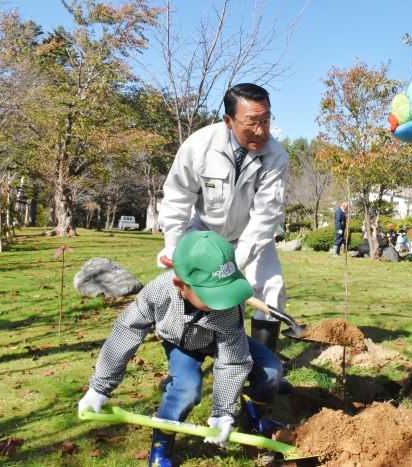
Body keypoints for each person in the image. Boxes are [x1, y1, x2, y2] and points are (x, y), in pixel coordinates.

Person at [78, 231, 285, 467]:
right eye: (213, 295)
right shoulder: (157, 293)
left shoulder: (229, 302)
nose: (224, 300)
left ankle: (253, 421)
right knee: (186, 390)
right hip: (181, 345)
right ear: (180, 286)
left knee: (271, 372)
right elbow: (126, 332)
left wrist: (223, 411)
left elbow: (232, 361)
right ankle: (161, 448)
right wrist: (100, 388)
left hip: (223, 338)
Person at [157, 83, 289, 355]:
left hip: (249, 237)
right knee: (186, 292)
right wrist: (173, 243)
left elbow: (266, 215)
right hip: (203, 233)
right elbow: (178, 196)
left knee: (272, 287)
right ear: (229, 120)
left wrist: (233, 264)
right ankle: (182, 368)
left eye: (266, 121)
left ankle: (263, 370)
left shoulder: (276, 157)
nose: (261, 131)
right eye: (252, 122)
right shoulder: (198, 145)